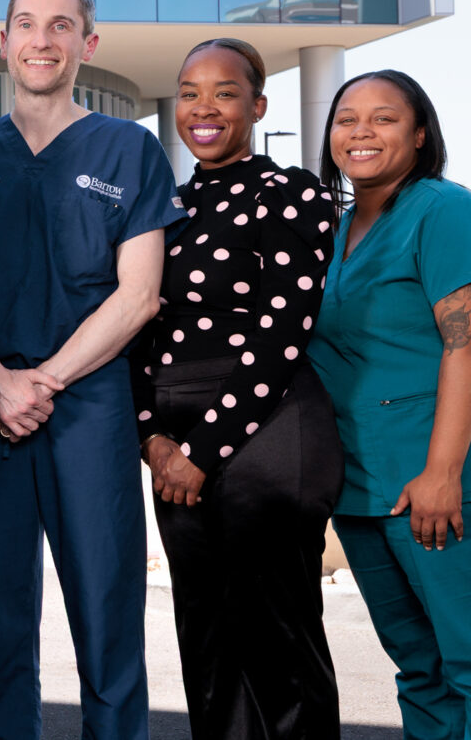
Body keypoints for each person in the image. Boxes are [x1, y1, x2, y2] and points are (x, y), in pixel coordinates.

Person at [0, 0, 182, 740]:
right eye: (25, 23)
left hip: (88, 406)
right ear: (2, 39)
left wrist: (41, 379)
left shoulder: (129, 149)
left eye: (59, 25)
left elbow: (139, 292)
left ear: (89, 40)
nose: (41, 40)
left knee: (109, 615)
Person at [312, 70, 471, 740]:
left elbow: (470, 345)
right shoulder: (335, 227)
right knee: (419, 667)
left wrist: (442, 472)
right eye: (346, 118)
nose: (360, 131)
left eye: (383, 118)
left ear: (419, 134)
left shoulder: (445, 209)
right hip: (363, 488)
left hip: (453, 478)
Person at [129, 38, 343, 738]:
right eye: (189, 91)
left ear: (258, 105)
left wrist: (201, 451)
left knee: (275, 636)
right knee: (207, 633)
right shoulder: (164, 206)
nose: (203, 107)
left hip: (268, 428)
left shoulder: (290, 193)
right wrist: (152, 438)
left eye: (224, 92)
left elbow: (283, 335)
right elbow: (135, 326)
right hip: (175, 440)